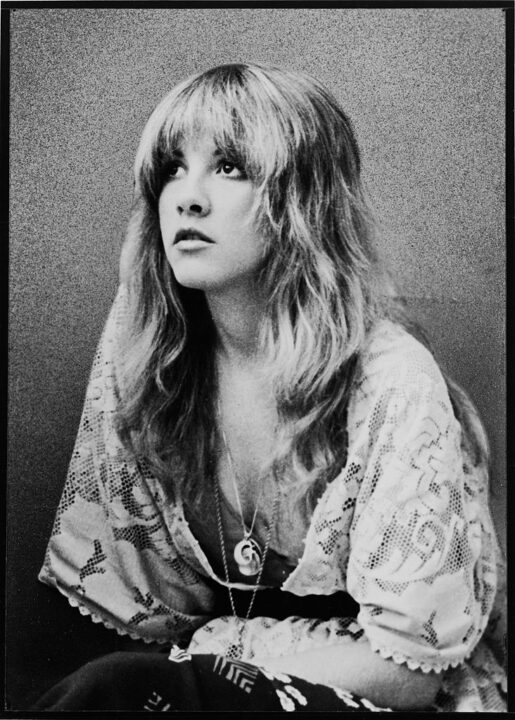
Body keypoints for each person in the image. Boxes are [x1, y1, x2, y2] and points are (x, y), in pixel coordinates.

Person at [33, 63, 506, 712]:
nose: (187, 197)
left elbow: (410, 673)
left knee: (116, 688)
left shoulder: (390, 378)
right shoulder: (148, 348)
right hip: (222, 665)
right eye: (173, 166)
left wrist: (214, 670)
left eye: (229, 167)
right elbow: (149, 601)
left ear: (302, 199)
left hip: (383, 691)